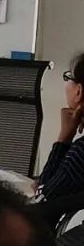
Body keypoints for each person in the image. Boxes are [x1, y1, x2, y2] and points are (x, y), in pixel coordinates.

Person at [36, 51, 84, 202]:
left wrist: (64, 138)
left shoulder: (80, 154)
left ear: (79, 91)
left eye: (68, 77)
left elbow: (41, 201)